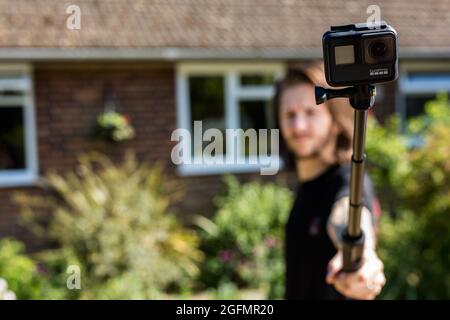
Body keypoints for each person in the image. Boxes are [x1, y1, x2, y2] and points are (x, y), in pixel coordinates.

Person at [274, 61, 385, 300]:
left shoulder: (349, 178)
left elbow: (349, 214)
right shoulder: (306, 188)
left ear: (334, 121)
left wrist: (361, 255)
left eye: (310, 112)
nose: (299, 126)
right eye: (289, 115)